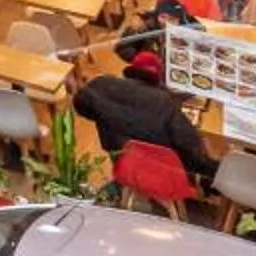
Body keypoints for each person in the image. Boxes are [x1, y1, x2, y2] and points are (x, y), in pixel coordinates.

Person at [73, 48, 218, 191]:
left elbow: (82, 105)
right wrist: (212, 167)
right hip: (160, 172)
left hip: (121, 159)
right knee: (201, 144)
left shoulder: (102, 85)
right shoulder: (165, 102)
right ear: (157, 76)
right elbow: (187, 145)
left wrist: (78, 87)